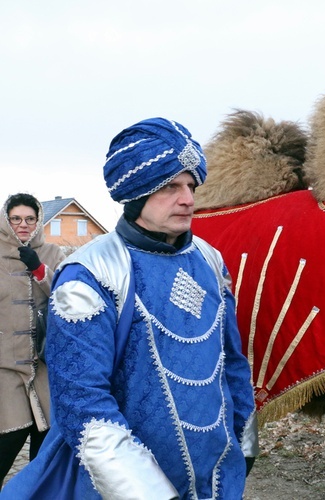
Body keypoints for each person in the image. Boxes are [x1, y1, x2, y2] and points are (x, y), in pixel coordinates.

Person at [1, 118, 258, 499]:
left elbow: (231, 362)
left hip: (214, 477)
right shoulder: (89, 274)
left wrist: (243, 444)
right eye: (170, 186)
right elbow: (83, 403)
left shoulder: (209, 260)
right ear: (136, 193)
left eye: (190, 185)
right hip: (120, 484)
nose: (187, 198)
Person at [0, 193, 66, 490]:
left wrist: (40, 270)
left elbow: (69, 298)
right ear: (6, 221)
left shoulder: (53, 253)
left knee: (44, 456)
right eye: (16, 219)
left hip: (45, 365)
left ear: (38, 222)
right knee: (6, 443)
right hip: (5, 366)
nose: (23, 225)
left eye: (29, 219)